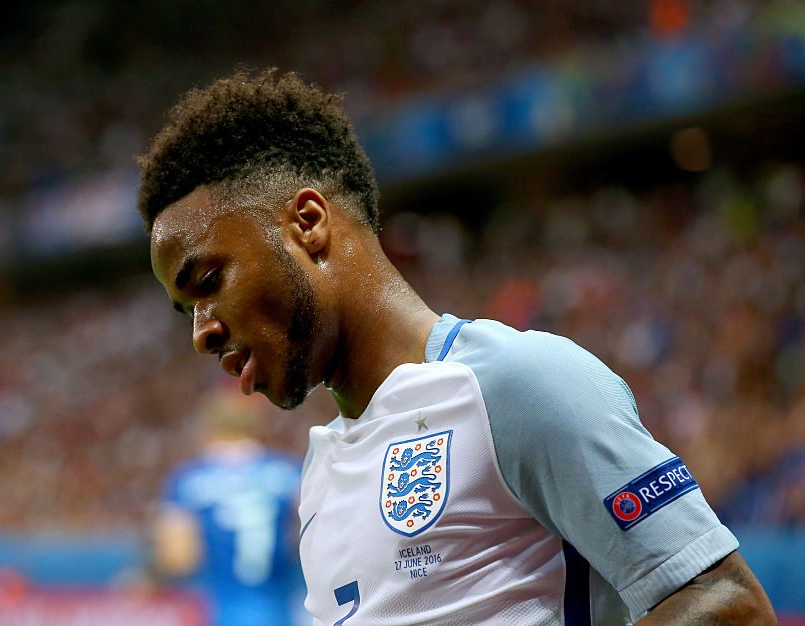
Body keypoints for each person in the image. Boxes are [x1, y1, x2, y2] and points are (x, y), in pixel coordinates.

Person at [136, 69, 775, 625]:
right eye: (186, 308)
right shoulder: (319, 473)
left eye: (209, 282)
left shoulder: (515, 383)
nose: (201, 331)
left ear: (307, 223)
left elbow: (727, 603)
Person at [154, 385, 304, 626]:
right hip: (284, 612)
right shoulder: (289, 471)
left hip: (225, 612)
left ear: (207, 428)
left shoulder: (189, 480)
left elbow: (178, 559)